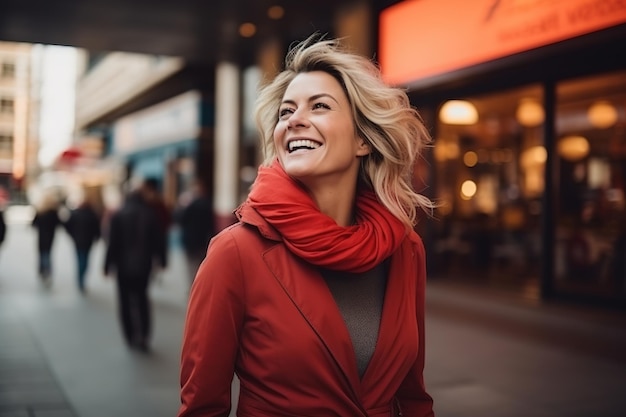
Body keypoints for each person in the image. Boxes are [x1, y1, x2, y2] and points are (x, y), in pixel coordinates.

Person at [178, 35, 435, 416]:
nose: (295, 120)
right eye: (286, 112)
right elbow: (201, 407)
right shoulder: (235, 253)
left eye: (319, 106)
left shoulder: (404, 248)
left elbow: (413, 398)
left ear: (363, 140)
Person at [104, 187, 167, 352]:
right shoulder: (150, 214)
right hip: (143, 265)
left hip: (123, 266)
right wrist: (162, 259)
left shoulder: (118, 215)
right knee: (142, 299)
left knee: (124, 301)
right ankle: (144, 335)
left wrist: (107, 264)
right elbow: (159, 240)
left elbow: (113, 243)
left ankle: (130, 335)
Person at [177, 179, 215, 285]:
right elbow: (211, 225)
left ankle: (194, 287)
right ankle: (200, 286)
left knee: (191, 267)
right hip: (202, 240)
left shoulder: (190, 205)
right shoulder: (207, 204)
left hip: (191, 241)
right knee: (201, 266)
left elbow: (180, 219)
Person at [64, 199, 101, 293]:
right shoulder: (91, 214)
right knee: (84, 260)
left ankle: (80, 278)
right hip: (87, 242)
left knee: (81, 259)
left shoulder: (77, 214)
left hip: (79, 241)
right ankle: (81, 278)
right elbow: (97, 228)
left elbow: (67, 226)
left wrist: (73, 235)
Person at [32, 193, 62, 284]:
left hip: (41, 237)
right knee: (47, 254)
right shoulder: (54, 213)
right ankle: (47, 271)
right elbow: (59, 224)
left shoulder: (40, 211)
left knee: (42, 254)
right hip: (50, 237)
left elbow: (34, 224)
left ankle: (43, 271)